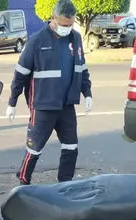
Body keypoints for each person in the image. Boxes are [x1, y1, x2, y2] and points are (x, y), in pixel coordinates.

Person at [7, 0, 92, 185]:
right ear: (53, 18)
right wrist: (12, 102)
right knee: (34, 149)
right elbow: (20, 73)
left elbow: (81, 68)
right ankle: (23, 180)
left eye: (70, 25)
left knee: (71, 147)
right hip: (43, 106)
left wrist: (88, 93)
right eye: (63, 25)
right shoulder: (37, 41)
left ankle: (65, 183)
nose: (66, 28)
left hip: (67, 105)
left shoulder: (76, 38)